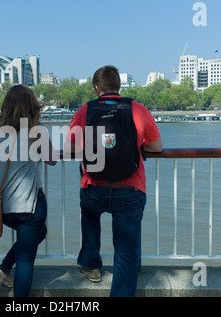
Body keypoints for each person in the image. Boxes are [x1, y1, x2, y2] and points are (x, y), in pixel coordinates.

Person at [65, 66, 163, 297]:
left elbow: (70, 148)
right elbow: (156, 147)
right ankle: (131, 268)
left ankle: (90, 264)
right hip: (130, 189)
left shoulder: (85, 110)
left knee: (89, 211)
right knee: (126, 252)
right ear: (119, 86)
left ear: (97, 89)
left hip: (95, 189)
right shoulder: (137, 109)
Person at [0, 85, 57, 297]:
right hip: (30, 206)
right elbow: (52, 160)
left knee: (38, 234)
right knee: (25, 261)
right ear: (32, 106)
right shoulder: (37, 129)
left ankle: (3, 269)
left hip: (4, 206)